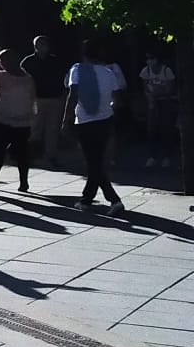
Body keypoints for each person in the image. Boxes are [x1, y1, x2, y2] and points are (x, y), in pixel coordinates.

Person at [64, 40, 127, 217]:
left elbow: (73, 94)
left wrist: (66, 118)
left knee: (92, 162)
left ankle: (114, 199)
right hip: (105, 120)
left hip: (85, 120)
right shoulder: (108, 72)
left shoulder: (77, 69)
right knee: (96, 160)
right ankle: (86, 199)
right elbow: (117, 99)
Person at [0, 48, 35, 191]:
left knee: (22, 154)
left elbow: (32, 99)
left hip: (23, 122)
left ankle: (24, 181)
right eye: (2, 61)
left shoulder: (28, 78)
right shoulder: (1, 76)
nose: (4, 63)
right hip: (4, 121)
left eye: (6, 60)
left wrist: (33, 118)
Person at [22, 35, 70, 168]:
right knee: (35, 129)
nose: (43, 46)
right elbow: (23, 79)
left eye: (45, 44)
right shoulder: (28, 61)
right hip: (36, 98)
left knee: (53, 129)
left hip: (55, 98)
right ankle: (33, 155)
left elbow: (64, 78)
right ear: (35, 46)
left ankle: (51, 156)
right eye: (40, 44)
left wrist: (63, 93)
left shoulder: (55, 61)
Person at [141, 50, 179, 169]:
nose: (149, 61)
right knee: (151, 130)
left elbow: (170, 89)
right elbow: (145, 88)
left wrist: (158, 93)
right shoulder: (145, 71)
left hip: (165, 102)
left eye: (152, 58)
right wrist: (150, 97)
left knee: (166, 129)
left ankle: (166, 157)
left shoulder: (166, 71)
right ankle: (152, 157)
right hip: (152, 103)